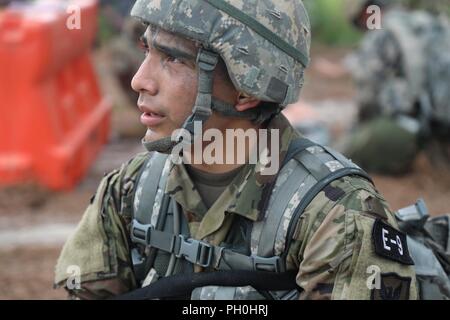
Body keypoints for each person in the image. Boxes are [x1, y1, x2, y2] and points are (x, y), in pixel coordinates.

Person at [54, 0, 419, 300]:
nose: (140, 80)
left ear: (248, 89)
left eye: (174, 59)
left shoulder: (337, 215)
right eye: (147, 50)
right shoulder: (130, 191)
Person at [343, 0, 450, 174]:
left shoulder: (381, 33)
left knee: (344, 150)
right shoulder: (426, 22)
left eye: (360, 20)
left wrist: (356, 129)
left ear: (368, 12)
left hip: (412, 129)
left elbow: (367, 94)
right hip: (440, 120)